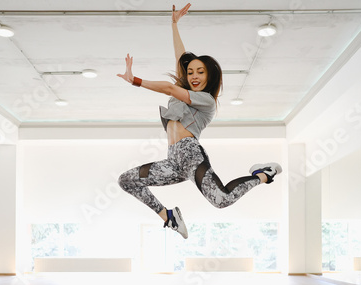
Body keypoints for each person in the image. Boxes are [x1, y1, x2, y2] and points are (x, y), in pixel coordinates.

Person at [117, 3, 282, 239]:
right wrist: (173, 23)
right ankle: (168, 216)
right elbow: (180, 57)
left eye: (200, 72)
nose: (194, 76)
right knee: (127, 181)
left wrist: (136, 81)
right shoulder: (183, 86)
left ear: (210, 76)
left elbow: (167, 87)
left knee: (221, 199)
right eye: (191, 71)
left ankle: (263, 174)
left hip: (191, 155)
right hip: (173, 159)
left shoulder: (206, 101)